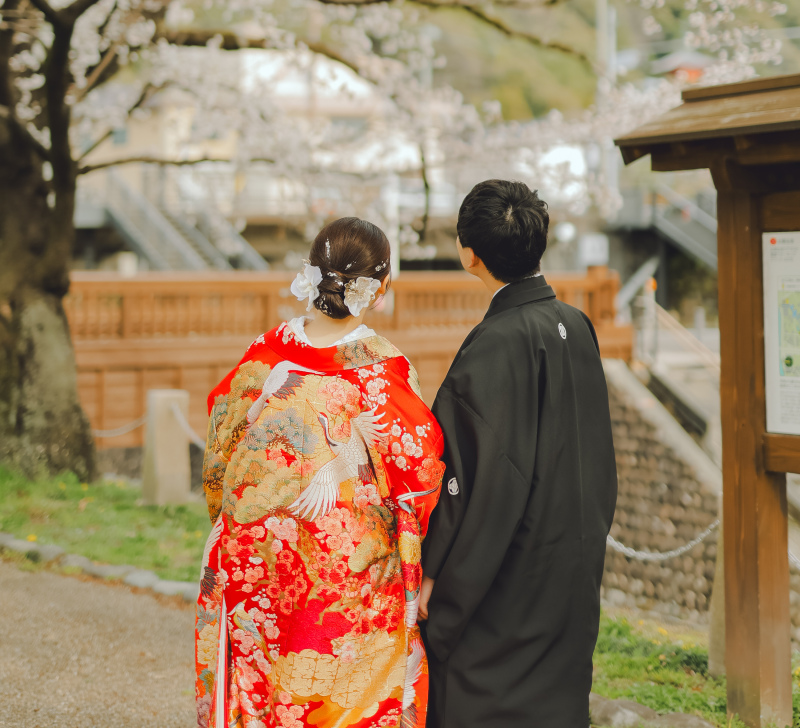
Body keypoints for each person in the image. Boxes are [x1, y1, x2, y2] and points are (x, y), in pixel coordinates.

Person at [195, 217, 445, 728]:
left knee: (261, 694)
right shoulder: (381, 371)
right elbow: (417, 475)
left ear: (311, 274)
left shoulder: (264, 356)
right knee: (337, 701)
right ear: (380, 290)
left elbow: (219, 460)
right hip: (343, 573)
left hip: (255, 559)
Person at [419, 180, 617, 728]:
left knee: (481, 693)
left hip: (511, 563)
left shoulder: (496, 342)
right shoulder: (576, 325)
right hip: (569, 548)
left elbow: (465, 471)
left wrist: (432, 569)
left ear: (469, 253)